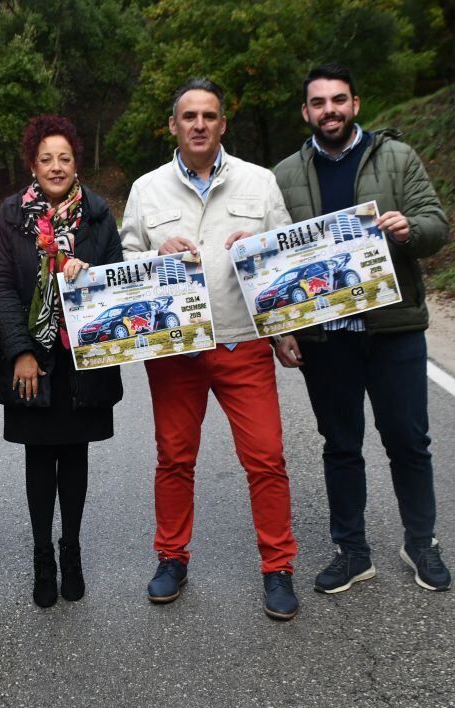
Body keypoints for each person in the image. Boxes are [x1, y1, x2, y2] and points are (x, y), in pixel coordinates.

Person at [121, 79, 300, 620]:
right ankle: (171, 557)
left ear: (223, 124)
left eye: (210, 115)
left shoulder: (259, 182)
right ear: (173, 125)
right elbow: (126, 259)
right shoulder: (146, 188)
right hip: (175, 349)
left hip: (242, 341)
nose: (199, 124)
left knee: (266, 458)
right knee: (174, 458)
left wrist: (283, 322)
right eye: (189, 116)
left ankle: (278, 567)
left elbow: (285, 256)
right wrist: (156, 251)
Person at [272, 63, 452, 594]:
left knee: (408, 440)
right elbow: (275, 266)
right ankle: (352, 551)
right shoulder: (282, 176)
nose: (330, 110)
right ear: (305, 112)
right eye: (319, 103)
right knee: (340, 443)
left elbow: (436, 225)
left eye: (339, 100)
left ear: (356, 104)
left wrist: (409, 228)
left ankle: (421, 542)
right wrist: (282, 328)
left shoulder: (396, 157)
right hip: (326, 336)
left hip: (393, 328)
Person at [0, 116, 124, 608]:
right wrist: (20, 350)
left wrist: (91, 277)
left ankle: (72, 550)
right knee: (39, 457)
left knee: (76, 454)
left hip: (82, 359)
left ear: (76, 163)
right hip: (34, 359)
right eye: (46, 158)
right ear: (32, 164)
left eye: (64, 157)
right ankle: (42, 553)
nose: (56, 166)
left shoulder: (98, 215)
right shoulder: (9, 217)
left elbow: (117, 283)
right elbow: (1, 286)